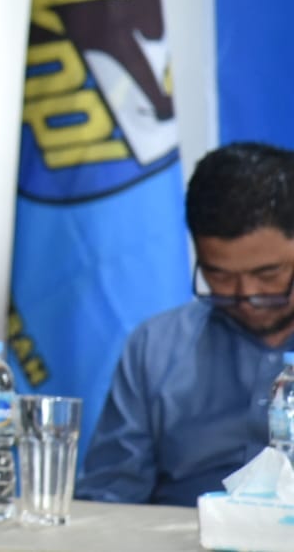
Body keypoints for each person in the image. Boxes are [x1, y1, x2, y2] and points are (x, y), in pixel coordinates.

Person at [79, 140, 294, 505]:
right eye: (219, 275)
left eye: (268, 274)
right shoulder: (156, 348)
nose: (246, 295)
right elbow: (109, 497)